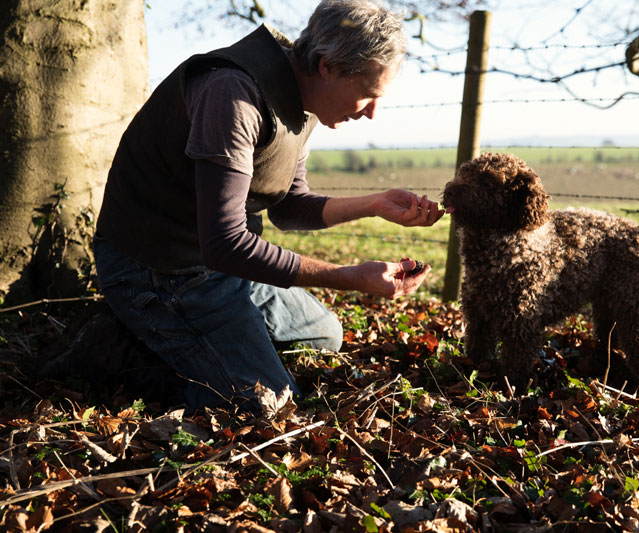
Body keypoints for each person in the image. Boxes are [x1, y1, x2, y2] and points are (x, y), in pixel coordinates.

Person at [93, 0, 444, 409]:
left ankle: (201, 345)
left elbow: (289, 206)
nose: (371, 114)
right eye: (368, 95)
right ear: (328, 66)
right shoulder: (232, 96)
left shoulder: (303, 98)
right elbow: (225, 242)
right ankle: (130, 355)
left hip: (217, 267)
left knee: (324, 335)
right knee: (269, 404)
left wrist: (376, 203)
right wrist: (351, 276)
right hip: (155, 272)